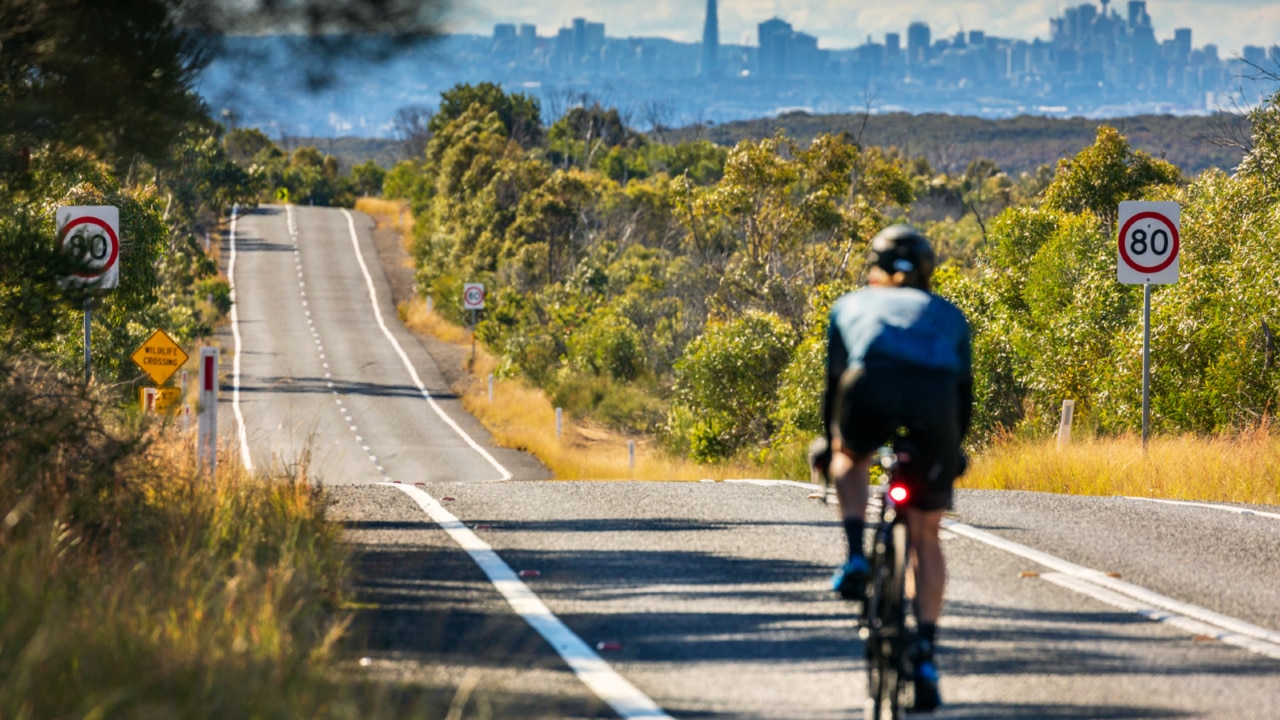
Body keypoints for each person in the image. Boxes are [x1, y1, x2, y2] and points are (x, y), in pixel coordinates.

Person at [811, 224, 973, 713]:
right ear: (928, 274)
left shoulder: (851, 304)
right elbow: (962, 395)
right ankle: (924, 649)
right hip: (935, 398)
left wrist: (832, 442)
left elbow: (835, 383)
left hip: (870, 385)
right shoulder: (950, 315)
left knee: (849, 456)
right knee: (926, 532)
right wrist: (952, 451)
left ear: (875, 270)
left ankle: (857, 556)